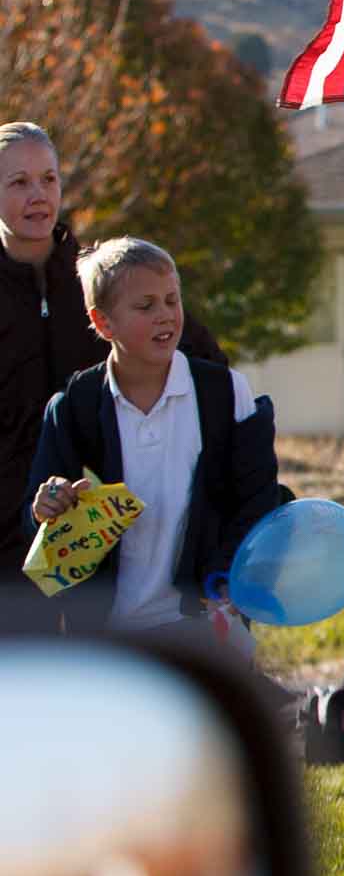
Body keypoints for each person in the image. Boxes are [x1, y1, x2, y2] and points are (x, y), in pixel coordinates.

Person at [2, 120, 225, 633]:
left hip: (113, 551)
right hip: (10, 553)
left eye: (49, 179)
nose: (38, 196)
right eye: (19, 183)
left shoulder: (105, 280)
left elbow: (207, 368)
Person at [23, 237, 279, 641]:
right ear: (103, 322)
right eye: (145, 306)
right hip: (106, 638)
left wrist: (226, 579)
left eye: (172, 300)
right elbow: (40, 518)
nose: (165, 315)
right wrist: (47, 504)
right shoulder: (76, 406)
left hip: (206, 627)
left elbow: (258, 499)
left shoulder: (226, 392)